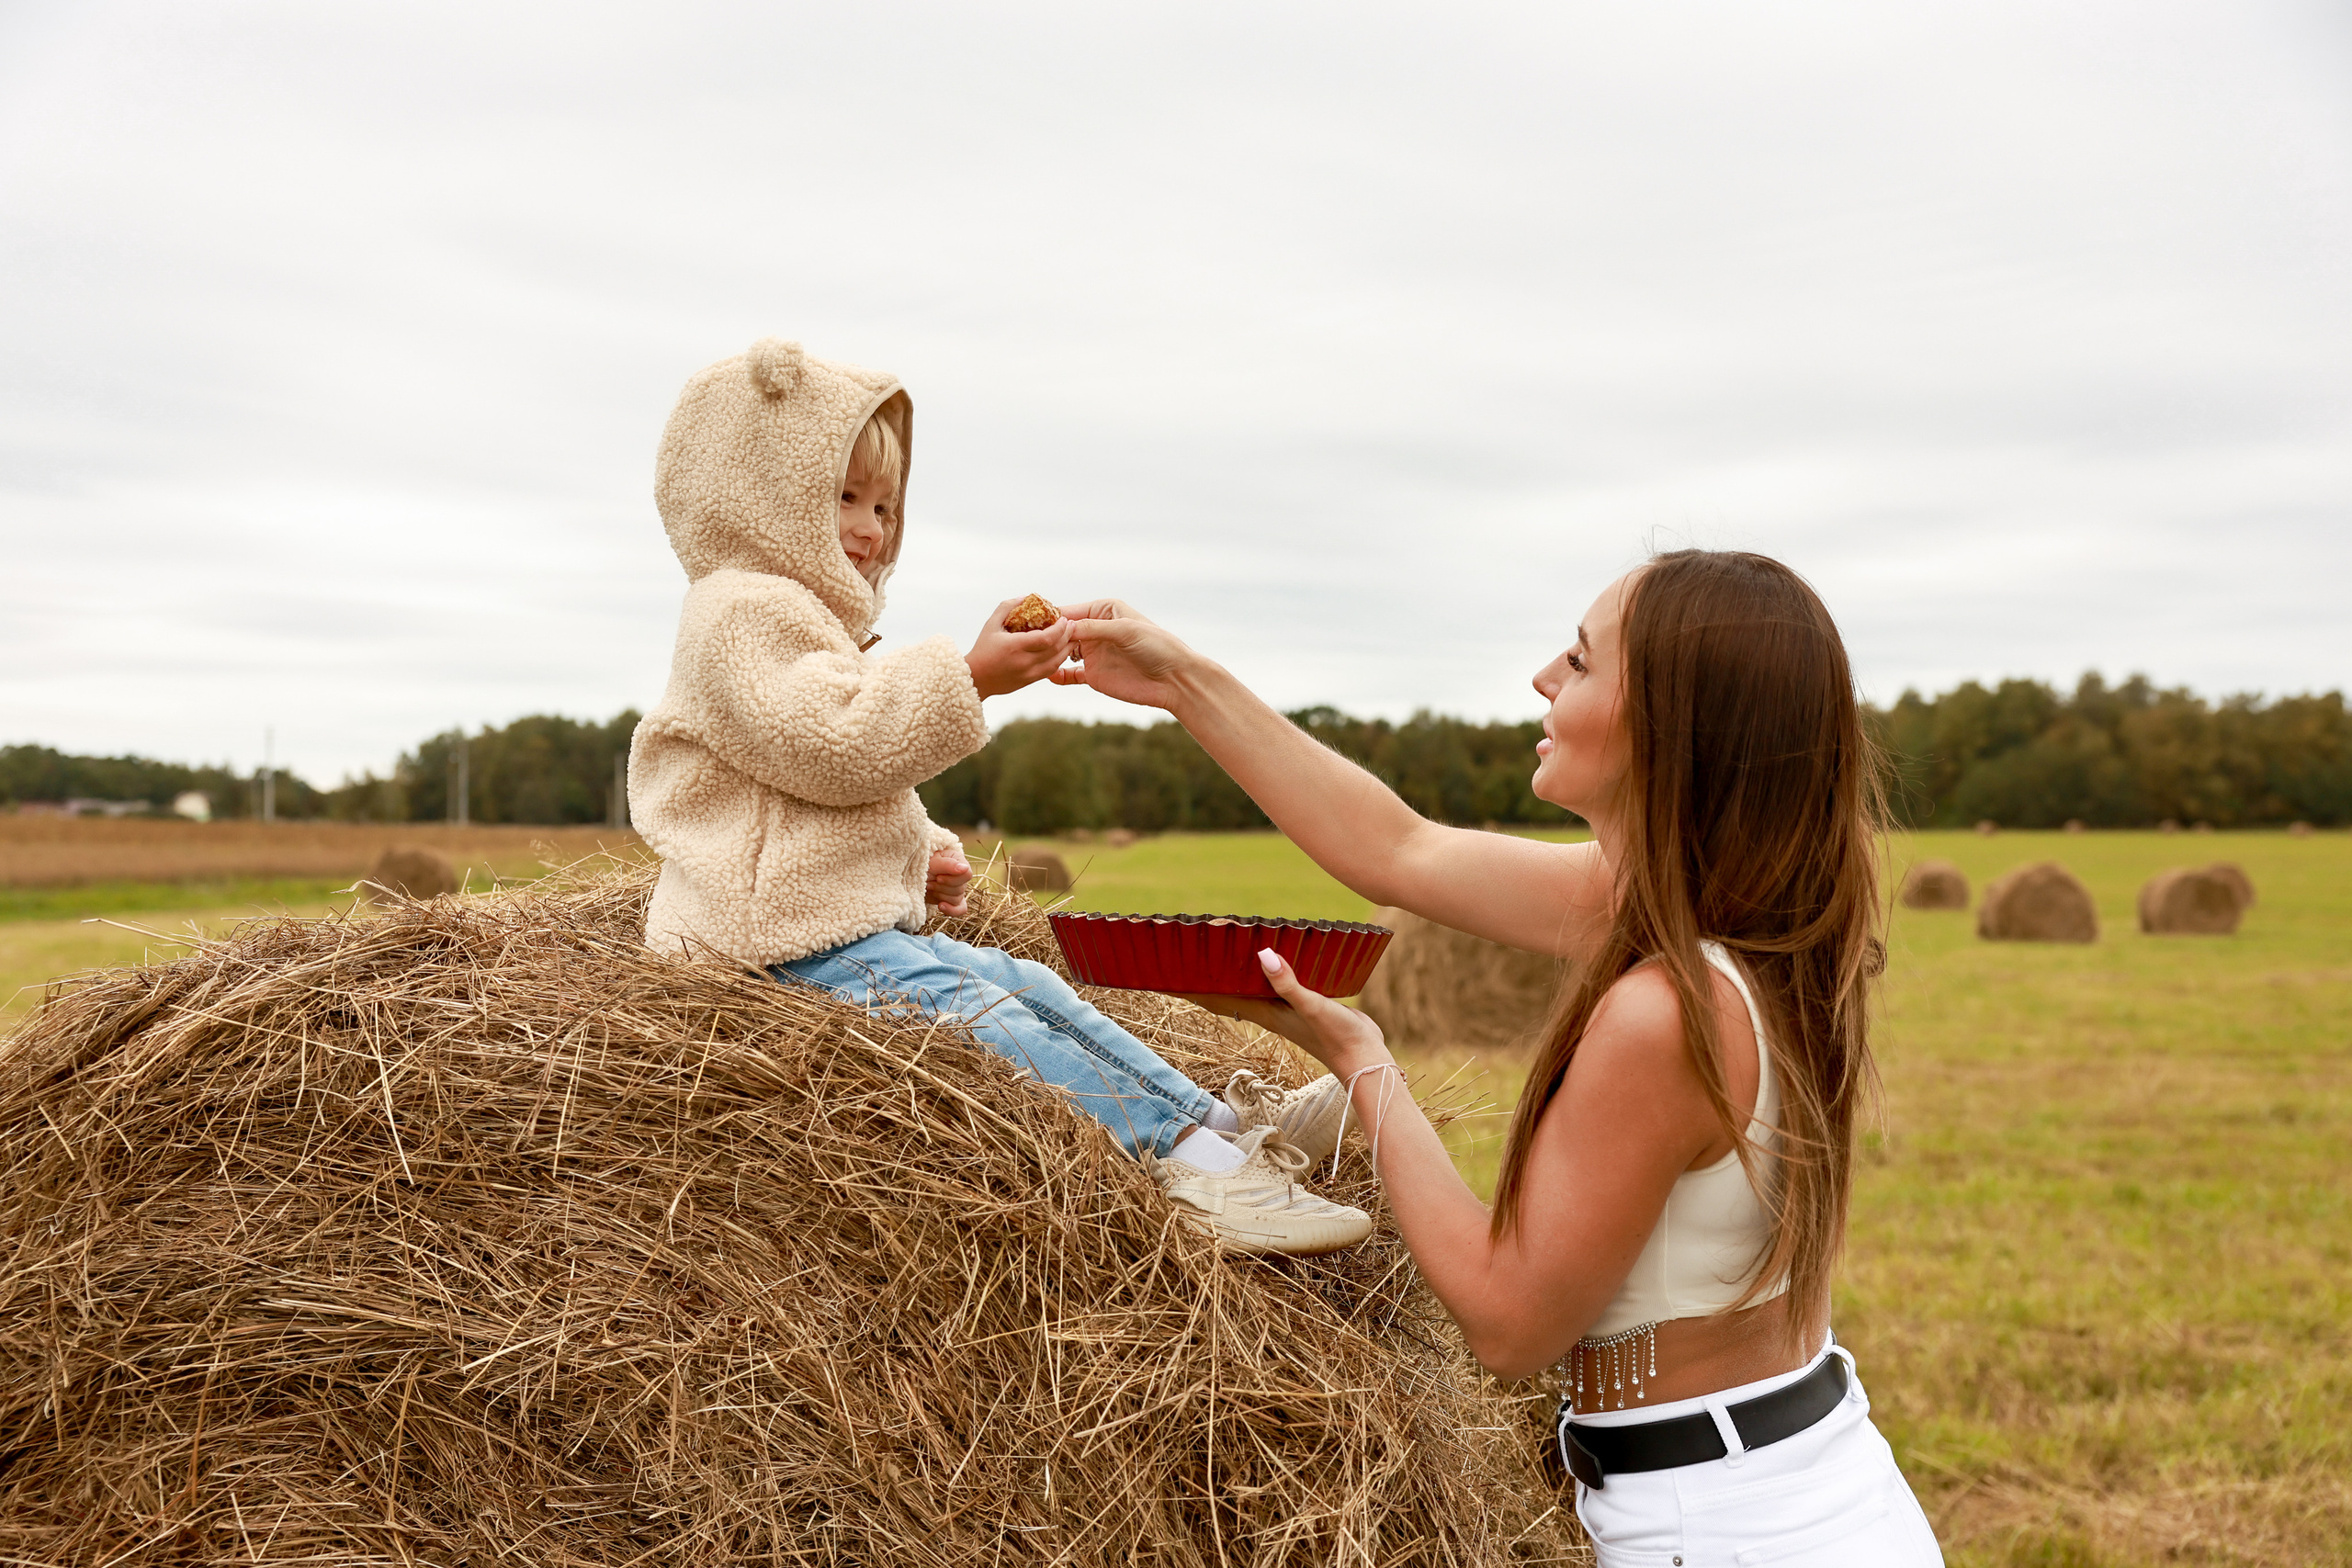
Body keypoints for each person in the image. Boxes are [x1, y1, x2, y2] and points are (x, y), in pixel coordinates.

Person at [1053, 550, 1944, 1564]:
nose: (1541, 678)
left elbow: (1510, 1323)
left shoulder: (1666, 1013)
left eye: (1579, 660)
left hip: (1721, 1525)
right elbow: (1398, 852)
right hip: (1802, 1480)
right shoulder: (1746, 927)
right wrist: (1179, 680)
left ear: (1670, 725)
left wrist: (1361, 1064)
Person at [626, 337, 1371, 1255]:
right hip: (770, 948)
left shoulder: (798, 623)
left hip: (821, 928)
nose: (869, 526)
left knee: (1024, 983)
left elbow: (808, 781)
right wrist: (968, 677)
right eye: (843, 497)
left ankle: (1217, 1123)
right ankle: (1193, 1170)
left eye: (885, 504)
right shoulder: (737, 612)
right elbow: (832, 744)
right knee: (988, 1020)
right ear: (758, 496)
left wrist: (920, 844)